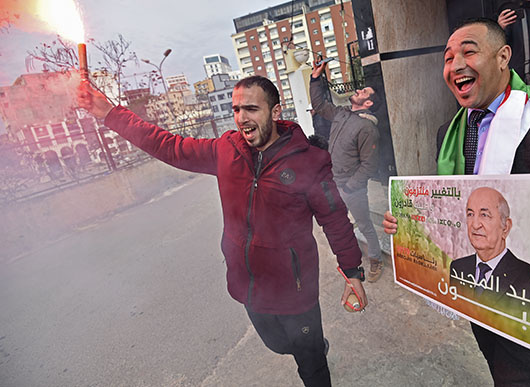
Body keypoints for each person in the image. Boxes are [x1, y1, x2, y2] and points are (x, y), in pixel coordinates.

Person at [78, 75, 368, 387]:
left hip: (295, 290)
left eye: (252, 109)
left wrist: (352, 271)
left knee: (310, 365)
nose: (242, 118)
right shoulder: (226, 150)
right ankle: (307, 347)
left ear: (275, 111)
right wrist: (110, 113)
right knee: (278, 344)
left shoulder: (310, 162)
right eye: (236, 109)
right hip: (249, 286)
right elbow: (166, 145)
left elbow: (335, 218)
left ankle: (312, 352)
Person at [383, 18, 530, 385]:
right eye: (448, 58)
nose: (455, 65)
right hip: (477, 293)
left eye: (469, 51)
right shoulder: (448, 133)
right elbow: (451, 206)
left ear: (503, 57)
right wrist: (408, 220)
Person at [309, 60, 384, 282]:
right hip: (333, 182)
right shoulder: (342, 114)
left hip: (352, 188)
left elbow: (369, 165)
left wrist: (350, 186)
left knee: (365, 225)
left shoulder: (367, 128)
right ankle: (353, 255)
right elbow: (319, 104)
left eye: (364, 91)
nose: (358, 90)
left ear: (368, 102)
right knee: (340, 222)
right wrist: (315, 78)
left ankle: (376, 260)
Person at [450, 187, 530, 304]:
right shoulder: (458, 267)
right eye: (470, 214)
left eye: (484, 215)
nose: (475, 225)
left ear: (505, 227)